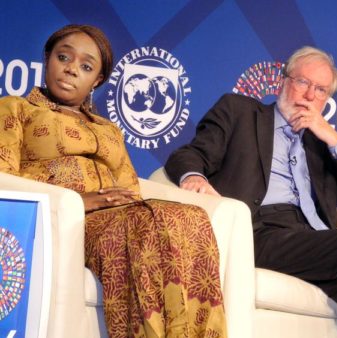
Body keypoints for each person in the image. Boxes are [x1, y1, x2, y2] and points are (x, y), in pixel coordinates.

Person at [165, 46, 337, 338]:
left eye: (321, 90)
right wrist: (194, 177)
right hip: (259, 232)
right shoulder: (240, 112)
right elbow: (187, 155)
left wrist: (333, 138)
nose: (310, 95)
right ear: (284, 81)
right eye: (303, 83)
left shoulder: (321, 145)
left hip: (312, 241)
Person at [0, 24, 226, 338]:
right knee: (147, 226)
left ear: (98, 80)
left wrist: (124, 203)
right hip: (65, 222)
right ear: (47, 58)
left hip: (121, 217)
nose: (71, 69)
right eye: (63, 57)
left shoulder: (109, 130)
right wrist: (81, 202)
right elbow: (6, 183)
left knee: (189, 217)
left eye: (86, 66)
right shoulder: (15, 109)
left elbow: (130, 189)